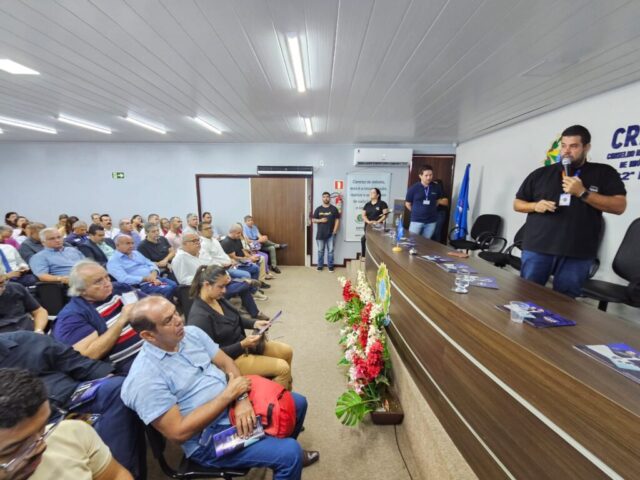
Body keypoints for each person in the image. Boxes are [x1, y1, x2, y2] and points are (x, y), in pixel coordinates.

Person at [121, 296, 319, 480]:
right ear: (148, 335)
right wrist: (228, 396)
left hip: (232, 404)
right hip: (210, 440)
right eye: (168, 321)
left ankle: (276, 448)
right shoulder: (144, 378)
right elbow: (178, 433)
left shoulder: (191, 334)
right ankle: (284, 457)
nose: (179, 320)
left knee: (297, 403)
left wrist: (241, 400)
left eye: (175, 312)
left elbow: (227, 363)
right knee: (290, 453)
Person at [514, 125, 627, 298]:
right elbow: (517, 204)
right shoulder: (540, 174)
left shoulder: (604, 173)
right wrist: (535, 206)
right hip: (538, 248)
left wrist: (583, 193)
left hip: (578, 252)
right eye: (564, 145)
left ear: (586, 147)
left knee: (565, 304)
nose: (566, 151)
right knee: (527, 297)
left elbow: (619, 206)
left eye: (573, 146)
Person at [0, 368, 134, 480]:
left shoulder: (72, 434)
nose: (41, 447)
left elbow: (116, 475)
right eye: (15, 448)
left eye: (43, 429)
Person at [188, 266, 292, 389]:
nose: (224, 290)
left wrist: (254, 323)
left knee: (287, 351)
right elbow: (212, 356)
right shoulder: (199, 317)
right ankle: (277, 397)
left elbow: (235, 318)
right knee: (282, 368)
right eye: (221, 286)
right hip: (231, 360)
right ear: (206, 285)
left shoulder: (217, 299)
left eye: (225, 286)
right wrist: (242, 345)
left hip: (244, 346)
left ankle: (285, 390)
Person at [53, 260, 144, 374]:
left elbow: (152, 305)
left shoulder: (120, 288)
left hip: (156, 344)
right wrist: (121, 320)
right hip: (129, 364)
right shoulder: (72, 316)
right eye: (98, 281)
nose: (107, 283)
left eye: (107, 277)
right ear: (81, 290)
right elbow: (89, 355)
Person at [173, 235, 268, 312]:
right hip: (203, 287)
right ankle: (245, 283)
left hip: (216, 280)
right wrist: (206, 277)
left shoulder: (201, 252)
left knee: (242, 287)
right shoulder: (179, 259)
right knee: (242, 286)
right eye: (194, 241)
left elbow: (214, 264)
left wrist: (225, 274)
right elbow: (183, 280)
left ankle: (254, 311)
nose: (198, 242)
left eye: (198, 240)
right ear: (185, 244)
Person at [107, 236, 177, 298]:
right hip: (140, 285)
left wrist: (154, 273)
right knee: (168, 289)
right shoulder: (113, 261)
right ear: (117, 245)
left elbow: (150, 263)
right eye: (128, 243)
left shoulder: (135, 253)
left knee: (174, 285)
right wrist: (146, 279)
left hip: (154, 278)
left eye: (132, 243)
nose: (131, 246)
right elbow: (123, 279)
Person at [405, 165, 448, 239]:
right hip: (416, 221)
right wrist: (416, 212)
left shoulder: (436, 187)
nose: (429, 177)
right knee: (412, 241)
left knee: (426, 242)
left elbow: (439, 201)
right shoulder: (413, 188)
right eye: (426, 175)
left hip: (431, 221)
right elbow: (407, 204)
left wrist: (431, 208)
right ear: (420, 176)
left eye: (431, 175)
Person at [312, 192, 340, 272]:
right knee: (320, 251)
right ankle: (320, 266)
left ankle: (330, 266)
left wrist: (335, 231)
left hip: (331, 234)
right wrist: (320, 220)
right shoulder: (318, 209)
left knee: (330, 251)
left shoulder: (334, 209)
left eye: (327, 197)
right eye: (324, 197)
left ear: (329, 198)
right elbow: (313, 220)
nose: (326, 198)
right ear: (322, 198)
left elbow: (337, 220)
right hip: (320, 234)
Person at [360, 188, 389, 259]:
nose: (371, 194)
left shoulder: (382, 203)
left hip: (378, 226)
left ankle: (376, 257)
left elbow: (385, 215)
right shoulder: (367, 204)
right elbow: (363, 215)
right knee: (364, 239)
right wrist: (368, 222)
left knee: (376, 242)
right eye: (370, 192)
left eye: (373, 192)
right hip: (368, 226)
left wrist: (377, 222)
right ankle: (364, 256)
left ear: (377, 195)